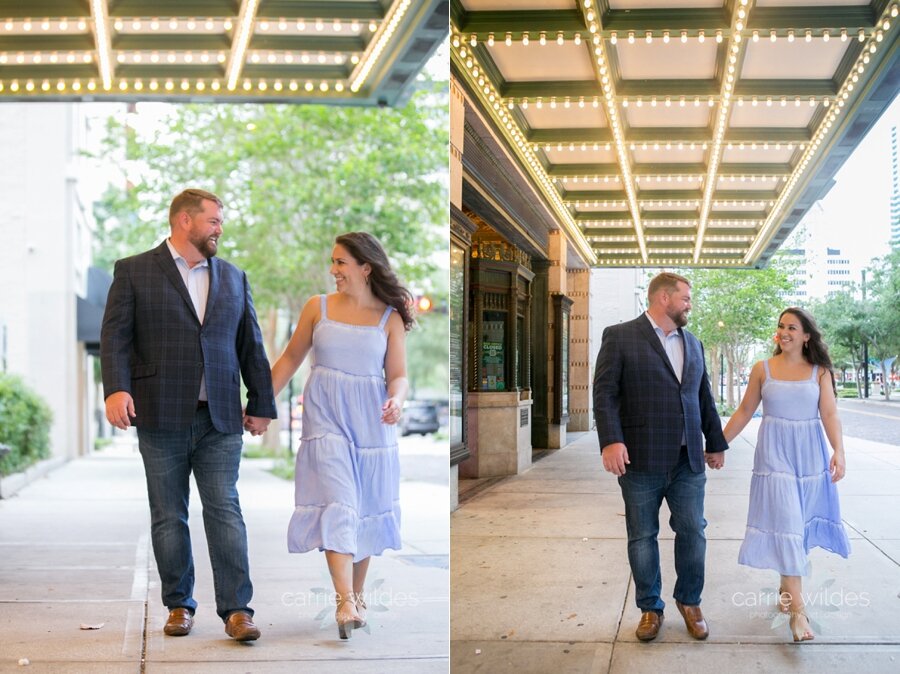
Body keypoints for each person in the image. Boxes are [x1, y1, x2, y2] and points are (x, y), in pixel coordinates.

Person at [100, 188, 276, 641]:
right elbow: (115, 336)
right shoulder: (135, 271)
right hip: (160, 414)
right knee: (168, 515)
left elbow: (250, 344)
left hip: (219, 416)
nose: (220, 228)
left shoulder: (234, 277)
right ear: (184, 220)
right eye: (214, 220)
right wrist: (116, 389)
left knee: (225, 510)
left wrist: (260, 404)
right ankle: (179, 604)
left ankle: (237, 610)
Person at [261, 232, 412, 639]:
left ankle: (356, 597)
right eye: (333, 262)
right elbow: (291, 358)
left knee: (363, 508)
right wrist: (260, 405)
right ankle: (344, 599)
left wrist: (396, 400)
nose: (333, 270)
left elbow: (397, 375)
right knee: (340, 502)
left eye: (341, 262)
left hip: (371, 424)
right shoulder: (317, 308)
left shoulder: (389, 318)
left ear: (366, 267)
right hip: (326, 419)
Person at [593, 272, 728, 643]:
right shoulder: (620, 336)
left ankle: (690, 602)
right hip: (640, 460)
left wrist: (715, 443)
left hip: (688, 462)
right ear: (664, 298)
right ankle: (650, 608)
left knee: (693, 532)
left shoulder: (694, 343)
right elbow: (604, 393)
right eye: (685, 298)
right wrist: (610, 441)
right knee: (642, 536)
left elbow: (704, 399)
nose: (689, 305)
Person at [722, 307, 850, 642]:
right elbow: (745, 410)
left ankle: (786, 587)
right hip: (774, 458)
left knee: (795, 528)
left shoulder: (820, 372)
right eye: (781, 326)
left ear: (807, 335)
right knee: (789, 525)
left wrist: (839, 450)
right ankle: (798, 614)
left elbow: (830, 413)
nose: (784, 332)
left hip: (809, 459)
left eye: (792, 327)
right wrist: (718, 444)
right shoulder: (762, 369)